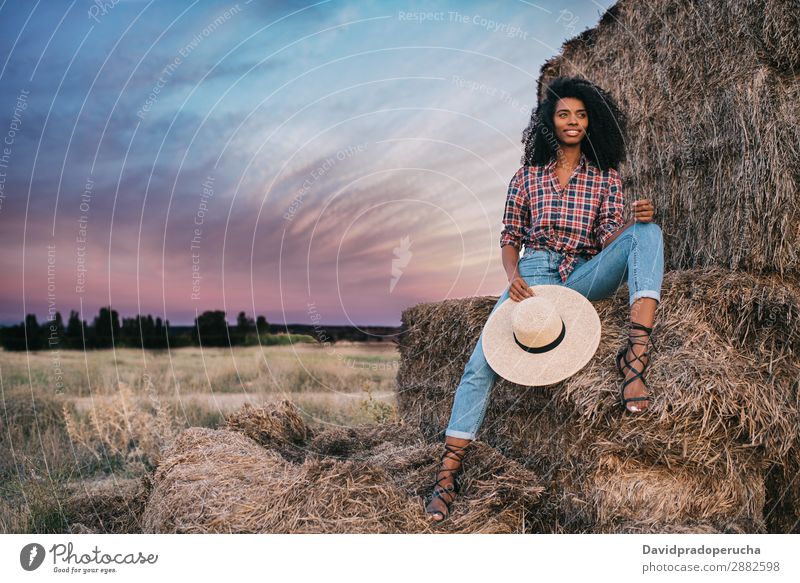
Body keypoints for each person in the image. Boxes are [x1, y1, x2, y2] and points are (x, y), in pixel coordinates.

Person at [424, 76, 664, 523]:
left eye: (581, 115)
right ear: (549, 123)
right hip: (532, 276)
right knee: (480, 364)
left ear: (591, 123)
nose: (572, 122)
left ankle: (635, 361)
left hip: (583, 274)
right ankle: (446, 477)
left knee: (648, 232)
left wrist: (631, 221)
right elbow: (510, 237)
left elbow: (604, 239)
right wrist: (513, 276)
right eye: (563, 115)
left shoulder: (606, 179)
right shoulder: (527, 177)